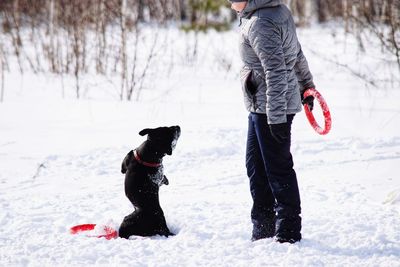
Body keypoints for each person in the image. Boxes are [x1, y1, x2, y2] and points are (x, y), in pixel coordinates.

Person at [229, 0, 315, 243]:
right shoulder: (272, 11)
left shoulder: (260, 22)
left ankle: (288, 233)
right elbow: (296, 52)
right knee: (255, 167)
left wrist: (275, 117)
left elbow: (275, 70)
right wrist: (307, 86)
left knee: (277, 170)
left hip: (270, 108)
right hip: (262, 105)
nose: (229, 2)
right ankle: (264, 227)